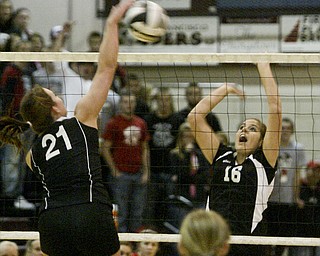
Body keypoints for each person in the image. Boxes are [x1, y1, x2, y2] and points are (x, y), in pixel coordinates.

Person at [0, 0, 134, 255]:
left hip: (52, 222)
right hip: (91, 211)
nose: (60, 97)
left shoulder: (32, 155)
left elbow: (44, 136)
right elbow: (106, 68)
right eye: (56, 95)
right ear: (55, 108)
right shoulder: (82, 118)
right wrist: (111, 23)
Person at [188, 63, 282, 256]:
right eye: (242, 127)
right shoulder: (220, 154)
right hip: (213, 243)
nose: (244, 130)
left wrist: (262, 64)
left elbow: (275, 109)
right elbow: (194, 117)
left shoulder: (264, 162)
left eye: (252, 129)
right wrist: (226, 88)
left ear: (262, 141)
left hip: (247, 245)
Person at [101, 91, 150, 232]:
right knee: (121, 211)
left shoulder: (141, 123)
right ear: (120, 104)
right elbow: (105, 148)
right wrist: (114, 170)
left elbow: (145, 148)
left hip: (138, 173)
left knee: (138, 211)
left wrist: (146, 172)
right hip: (121, 174)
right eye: (125, 102)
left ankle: (135, 243)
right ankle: (123, 244)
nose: (129, 105)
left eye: (132, 102)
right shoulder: (113, 123)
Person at [266, 117, 307, 256]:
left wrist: (296, 197)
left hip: (287, 201)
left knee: (283, 239)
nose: (284, 131)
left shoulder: (297, 149)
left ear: (292, 131)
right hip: (269, 201)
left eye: (287, 128)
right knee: (266, 238)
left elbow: (297, 174)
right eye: (282, 128)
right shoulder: (271, 146)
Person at [168, 122, 210, 206]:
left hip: (199, 193)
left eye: (191, 136)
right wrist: (187, 154)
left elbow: (205, 173)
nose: (189, 140)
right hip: (182, 194)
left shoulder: (200, 154)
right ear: (181, 138)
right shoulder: (175, 154)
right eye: (186, 137)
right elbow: (180, 175)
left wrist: (194, 177)